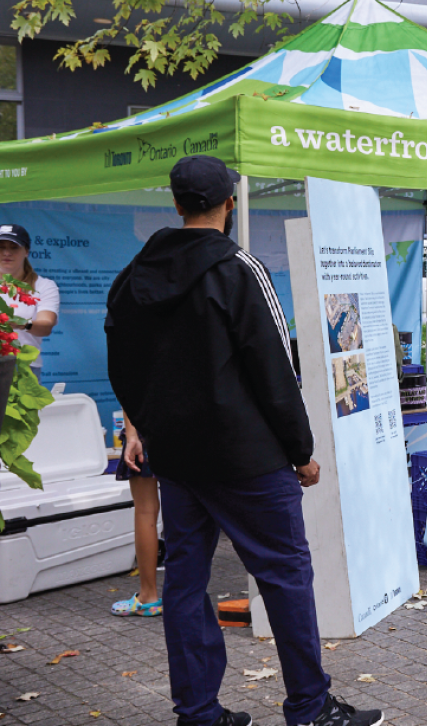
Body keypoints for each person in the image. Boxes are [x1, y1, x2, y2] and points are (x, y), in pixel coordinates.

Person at [105, 155, 381, 726]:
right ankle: (309, 707)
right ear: (229, 204)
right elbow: (278, 370)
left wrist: (147, 427)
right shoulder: (239, 269)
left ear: (177, 205)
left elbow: (121, 364)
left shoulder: (132, 277)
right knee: (285, 577)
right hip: (247, 459)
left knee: (185, 581)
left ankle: (198, 712)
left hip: (177, 460)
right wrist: (301, 452)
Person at [111, 415, 162, 618]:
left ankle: (149, 596)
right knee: (186, 509)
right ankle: (187, 595)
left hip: (145, 427)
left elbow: (128, 387)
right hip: (186, 426)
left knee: (145, 510)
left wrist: (132, 433)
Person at [0, 224, 60, 367]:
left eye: (14, 247)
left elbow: (46, 326)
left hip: (24, 367)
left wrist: (22, 324)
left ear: (26, 251)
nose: (6, 253)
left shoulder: (44, 286)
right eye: (1, 247)